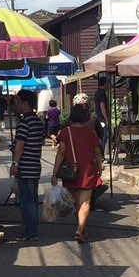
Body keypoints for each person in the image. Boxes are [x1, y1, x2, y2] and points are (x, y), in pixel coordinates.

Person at [51, 103, 103, 244]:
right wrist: (99, 167)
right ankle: (81, 230)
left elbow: (61, 153)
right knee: (85, 202)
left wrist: (55, 174)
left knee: (75, 204)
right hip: (88, 172)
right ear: (86, 117)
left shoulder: (65, 132)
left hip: (70, 173)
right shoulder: (91, 133)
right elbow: (97, 153)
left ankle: (80, 229)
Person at [10, 89, 46, 242]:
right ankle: (32, 229)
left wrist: (15, 163)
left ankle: (31, 231)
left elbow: (20, 144)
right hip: (35, 165)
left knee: (27, 201)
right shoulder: (38, 121)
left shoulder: (24, 122)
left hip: (25, 166)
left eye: (17, 101)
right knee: (32, 199)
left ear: (25, 103)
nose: (15, 104)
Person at [94, 73, 111, 155]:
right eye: (107, 83)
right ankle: (101, 154)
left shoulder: (97, 92)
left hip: (99, 117)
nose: (108, 85)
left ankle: (101, 154)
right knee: (104, 136)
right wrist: (106, 119)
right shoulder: (102, 93)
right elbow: (102, 106)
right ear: (104, 84)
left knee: (102, 136)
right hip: (102, 118)